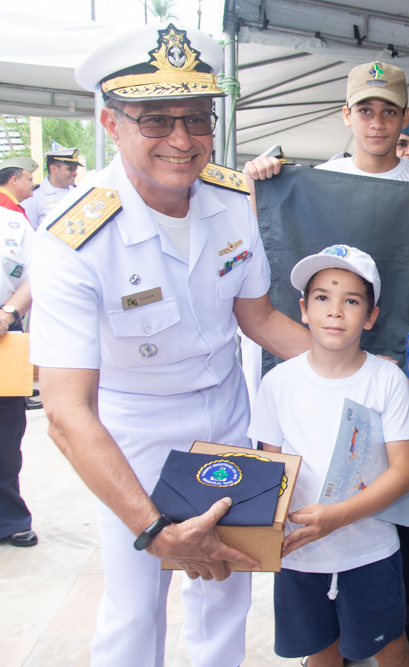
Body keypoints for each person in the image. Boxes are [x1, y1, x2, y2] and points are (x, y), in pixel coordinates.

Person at [29, 23, 313, 666]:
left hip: (227, 415)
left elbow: (259, 318)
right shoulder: (73, 240)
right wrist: (153, 527)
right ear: (112, 123)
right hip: (133, 432)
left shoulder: (231, 200)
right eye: (156, 120)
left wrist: (348, 366)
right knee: (136, 606)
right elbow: (67, 412)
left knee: (227, 588)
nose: (182, 140)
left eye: (196, 118)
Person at [245, 60, 409, 667]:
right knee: (340, 477)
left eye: (388, 111)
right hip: (338, 361)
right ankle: (344, 631)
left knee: (396, 506)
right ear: (346, 115)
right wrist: (260, 182)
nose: (376, 122)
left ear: (404, 118)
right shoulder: (317, 180)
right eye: (364, 110)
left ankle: (400, 619)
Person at [249, 244, 409, 667]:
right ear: (304, 309)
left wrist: (338, 516)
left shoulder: (387, 379)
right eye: (322, 297)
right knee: (321, 653)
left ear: (371, 316)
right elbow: (271, 471)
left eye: (352, 301)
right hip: (299, 555)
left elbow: (404, 472)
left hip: (371, 551)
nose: (335, 311)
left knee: (392, 650)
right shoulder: (277, 383)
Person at [0, 206, 37, 548]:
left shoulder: (12, 223)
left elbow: (38, 273)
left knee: (6, 438)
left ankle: (9, 519)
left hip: (2, 335)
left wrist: (8, 313)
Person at [23, 148, 82, 230]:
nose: (75, 173)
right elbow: (28, 230)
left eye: (75, 169)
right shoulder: (34, 196)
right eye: (70, 169)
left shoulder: (78, 192)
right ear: (53, 168)